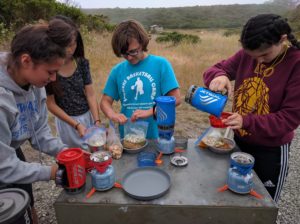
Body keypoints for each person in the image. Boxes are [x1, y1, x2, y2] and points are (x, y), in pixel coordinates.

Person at [203, 14, 300, 202]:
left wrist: (246, 121)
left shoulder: (295, 64)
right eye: (253, 56)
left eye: (264, 55)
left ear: (283, 39)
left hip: (270, 150)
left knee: (264, 203)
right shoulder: (247, 55)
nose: (259, 61)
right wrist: (219, 76)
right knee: (234, 194)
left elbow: (289, 118)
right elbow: (214, 69)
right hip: (238, 141)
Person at [0, 19, 75, 223]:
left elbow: (40, 132)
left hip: (10, 151)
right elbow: (4, 167)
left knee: (26, 202)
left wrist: (67, 153)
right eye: (50, 72)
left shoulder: (35, 83)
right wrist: (52, 172)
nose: (53, 79)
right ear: (26, 60)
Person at [100, 19, 181, 139]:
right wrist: (112, 115)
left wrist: (150, 111)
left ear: (142, 43)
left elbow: (176, 99)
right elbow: (105, 101)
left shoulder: (161, 64)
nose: (129, 57)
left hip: (157, 135)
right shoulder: (117, 71)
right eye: (124, 53)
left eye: (133, 51)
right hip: (128, 137)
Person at [46, 16, 101, 149]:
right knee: (74, 156)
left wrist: (96, 121)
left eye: (74, 44)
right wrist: (75, 124)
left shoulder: (81, 63)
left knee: (94, 151)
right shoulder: (49, 68)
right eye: (67, 46)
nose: (71, 49)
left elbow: (90, 94)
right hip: (66, 122)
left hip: (86, 117)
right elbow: (51, 104)